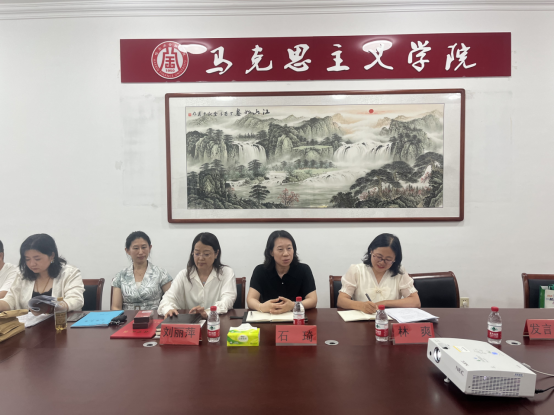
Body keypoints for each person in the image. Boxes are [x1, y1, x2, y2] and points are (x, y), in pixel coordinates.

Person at [337, 233, 421, 313]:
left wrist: (384, 303)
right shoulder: (356, 270)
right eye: (378, 257)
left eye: (388, 259)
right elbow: (341, 301)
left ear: (395, 259)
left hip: (389, 320)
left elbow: (415, 302)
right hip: (362, 320)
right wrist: (361, 306)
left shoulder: (400, 272)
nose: (382, 262)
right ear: (371, 251)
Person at [0, 234, 85, 314]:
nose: (32, 264)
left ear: (52, 255)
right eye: (27, 259)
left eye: (37, 259)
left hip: (62, 322)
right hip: (29, 324)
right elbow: (10, 300)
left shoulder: (69, 273)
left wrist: (52, 307)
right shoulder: (22, 275)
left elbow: (76, 300)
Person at [159, 233, 236, 319]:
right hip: (190, 322)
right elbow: (167, 298)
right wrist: (169, 309)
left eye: (206, 254)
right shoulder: (184, 275)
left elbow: (228, 300)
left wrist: (208, 312)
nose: (201, 258)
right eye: (197, 253)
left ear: (216, 254)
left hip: (217, 321)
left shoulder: (226, 273)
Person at [247, 230, 317, 315]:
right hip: (268, 317)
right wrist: (261, 307)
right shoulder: (260, 271)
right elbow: (251, 299)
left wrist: (293, 305)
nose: (286, 254)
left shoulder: (304, 269)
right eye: (280, 249)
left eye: (289, 248)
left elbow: (313, 300)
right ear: (271, 252)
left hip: (296, 318)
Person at [112, 231, 173, 311]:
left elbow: (171, 301)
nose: (140, 252)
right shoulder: (120, 276)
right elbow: (116, 307)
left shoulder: (161, 273)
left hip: (154, 316)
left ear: (150, 248)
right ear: (127, 251)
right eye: (136, 248)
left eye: (144, 247)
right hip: (128, 317)